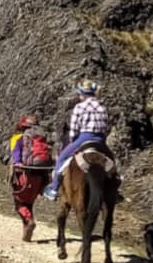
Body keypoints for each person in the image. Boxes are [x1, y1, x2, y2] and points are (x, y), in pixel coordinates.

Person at [43, 80, 111, 201]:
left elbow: (74, 129)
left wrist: (73, 140)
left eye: (79, 94)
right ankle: (114, 188)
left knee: (62, 158)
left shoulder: (79, 107)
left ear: (83, 95)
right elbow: (106, 127)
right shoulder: (102, 107)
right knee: (111, 161)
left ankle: (53, 190)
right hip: (100, 139)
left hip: (84, 137)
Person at [9, 113, 50, 242]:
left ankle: (29, 221)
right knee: (29, 203)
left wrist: (16, 163)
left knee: (19, 203)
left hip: (25, 175)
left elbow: (16, 153)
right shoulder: (41, 137)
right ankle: (26, 233)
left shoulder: (21, 138)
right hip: (39, 176)